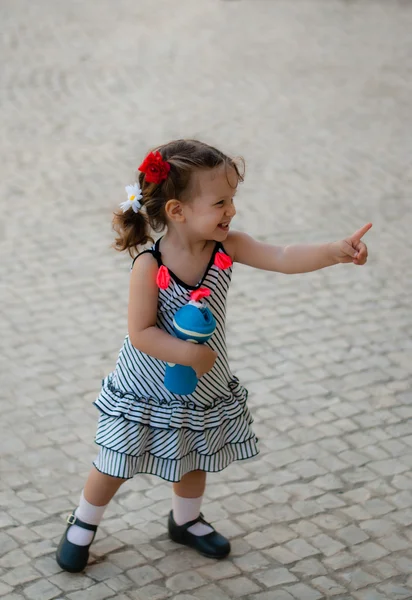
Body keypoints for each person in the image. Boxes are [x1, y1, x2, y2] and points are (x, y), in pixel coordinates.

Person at [56, 139, 371, 572]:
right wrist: (186, 352)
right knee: (118, 457)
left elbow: (281, 256)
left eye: (233, 200)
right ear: (177, 211)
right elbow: (141, 332)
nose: (232, 211)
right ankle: (84, 521)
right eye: (220, 202)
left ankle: (185, 520)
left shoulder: (228, 248)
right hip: (148, 383)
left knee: (194, 452)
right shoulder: (150, 265)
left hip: (203, 379)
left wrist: (333, 252)